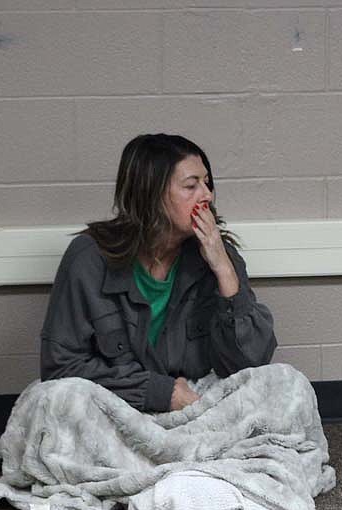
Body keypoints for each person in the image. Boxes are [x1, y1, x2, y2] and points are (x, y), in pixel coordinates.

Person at [40, 133, 278, 413]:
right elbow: (61, 367)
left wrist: (224, 269)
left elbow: (249, 365)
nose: (207, 195)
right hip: (118, 405)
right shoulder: (89, 258)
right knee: (48, 403)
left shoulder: (217, 251)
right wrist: (159, 393)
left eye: (207, 183)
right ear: (151, 194)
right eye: (191, 186)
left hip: (196, 401)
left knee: (288, 384)